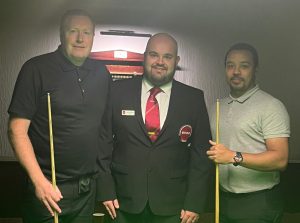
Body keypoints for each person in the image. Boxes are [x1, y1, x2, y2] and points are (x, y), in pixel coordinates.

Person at [7, 9, 111, 223]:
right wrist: (39, 183)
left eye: (86, 32)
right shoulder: (36, 69)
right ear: (61, 34)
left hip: (88, 190)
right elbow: (16, 130)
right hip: (49, 188)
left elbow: (106, 129)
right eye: (73, 31)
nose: (80, 38)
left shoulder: (102, 73)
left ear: (93, 37)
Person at [97, 33, 212, 223]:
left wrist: (194, 202)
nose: (160, 61)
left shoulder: (193, 98)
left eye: (167, 56)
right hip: (122, 203)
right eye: (153, 54)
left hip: (174, 207)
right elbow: (102, 144)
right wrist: (105, 190)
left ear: (177, 60)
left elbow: (201, 154)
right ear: (144, 56)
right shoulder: (117, 91)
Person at [207, 43, 290, 223]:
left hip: (258, 202)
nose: (236, 71)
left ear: (255, 69)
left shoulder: (271, 106)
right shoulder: (216, 107)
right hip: (223, 199)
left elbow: (280, 159)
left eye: (244, 66)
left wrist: (232, 156)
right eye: (231, 65)